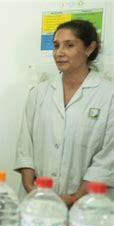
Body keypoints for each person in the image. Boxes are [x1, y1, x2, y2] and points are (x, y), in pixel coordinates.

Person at [14, 19, 114, 205]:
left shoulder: (108, 95)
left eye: (69, 45)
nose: (59, 53)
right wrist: (31, 187)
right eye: (56, 46)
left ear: (89, 48)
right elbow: (25, 146)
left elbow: (108, 157)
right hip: (37, 200)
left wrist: (75, 198)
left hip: (88, 204)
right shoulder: (39, 93)